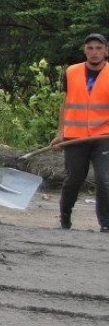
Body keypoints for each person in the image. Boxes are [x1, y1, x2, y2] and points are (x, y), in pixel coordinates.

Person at [50, 32, 109, 233]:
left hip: (103, 136)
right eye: (90, 48)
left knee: (104, 178)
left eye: (99, 48)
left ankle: (106, 223)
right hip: (75, 136)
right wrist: (60, 132)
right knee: (74, 178)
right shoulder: (72, 72)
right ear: (85, 50)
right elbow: (65, 104)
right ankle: (65, 216)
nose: (94, 52)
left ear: (106, 51)